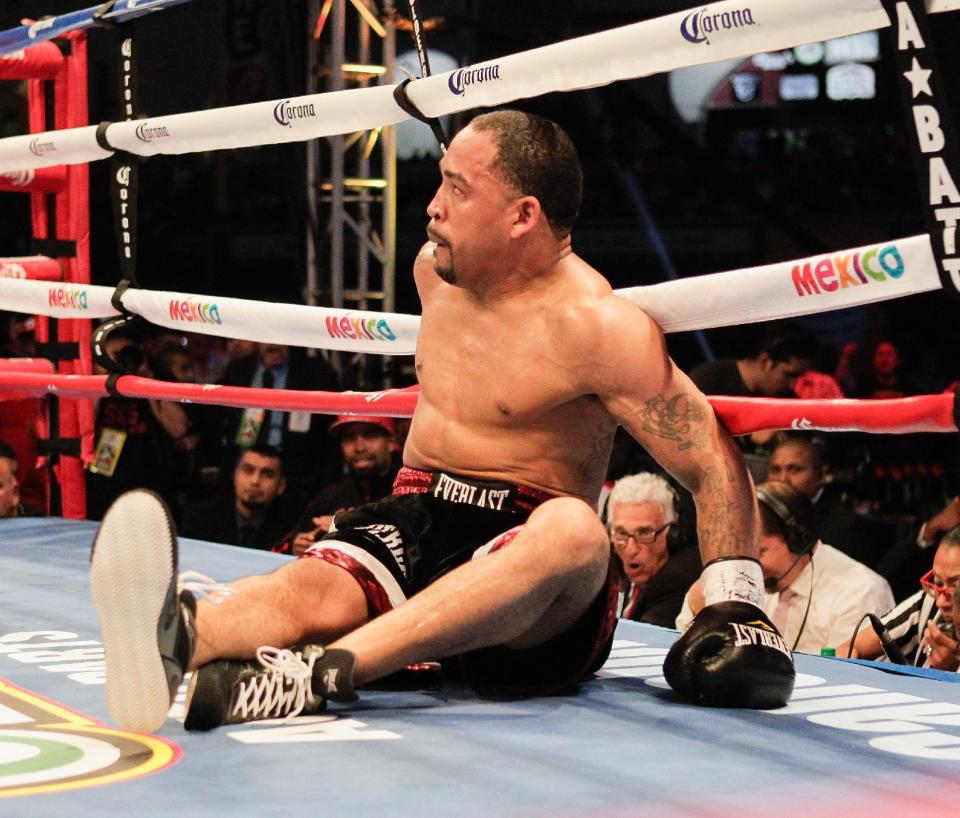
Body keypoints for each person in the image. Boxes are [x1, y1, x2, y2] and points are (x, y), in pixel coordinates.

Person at [90, 110, 795, 734]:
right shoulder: (436, 272)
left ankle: (322, 673)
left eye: (458, 189)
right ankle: (176, 635)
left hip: (533, 576)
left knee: (578, 531)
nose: (432, 208)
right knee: (314, 586)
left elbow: (707, 458)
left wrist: (735, 602)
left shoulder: (597, 328)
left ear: (522, 215)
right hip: (421, 512)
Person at [677, 481, 894, 654]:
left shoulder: (860, 592)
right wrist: (701, 611)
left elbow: (842, 680)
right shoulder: (750, 574)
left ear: (798, 540)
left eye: (759, 553)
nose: (748, 566)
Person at [215, 343, 340, 496]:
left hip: (299, 481)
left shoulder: (318, 373)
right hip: (245, 475)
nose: (273, 344)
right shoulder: (238, 369)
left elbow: (329, 439)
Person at [277, 415, 402, 557]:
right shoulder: (332, 496)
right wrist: (295, 546)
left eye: (370, 436)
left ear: (392, 442)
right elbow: (278, 547)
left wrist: (349, 530)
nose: (359, 447)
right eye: (349, 438)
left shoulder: (410, 491)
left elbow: (417, 554)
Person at [840, 527, 960, 669]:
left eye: (956, 585)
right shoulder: (927, 604)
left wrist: (952, 672)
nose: (941, 601)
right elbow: (849, 649)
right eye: (938, 582)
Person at [766, 435, 889, 568]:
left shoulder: (847, 528)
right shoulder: (761, 518)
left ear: (821, 475)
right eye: (776, 470)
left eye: (795, 469)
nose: (783, 479)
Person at [608, 472, 700, 628]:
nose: (631, 550)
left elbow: (636, 645)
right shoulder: (612, 570)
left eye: (644, 533)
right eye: (621, 533)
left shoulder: (677, 581)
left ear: (672, 534)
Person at [179, 446, 292, 550]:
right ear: (236, 476)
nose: (255, 481)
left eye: (267, 474)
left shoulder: (290, 529)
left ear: (281, 486)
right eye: (248, 470)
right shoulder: (199, 517)